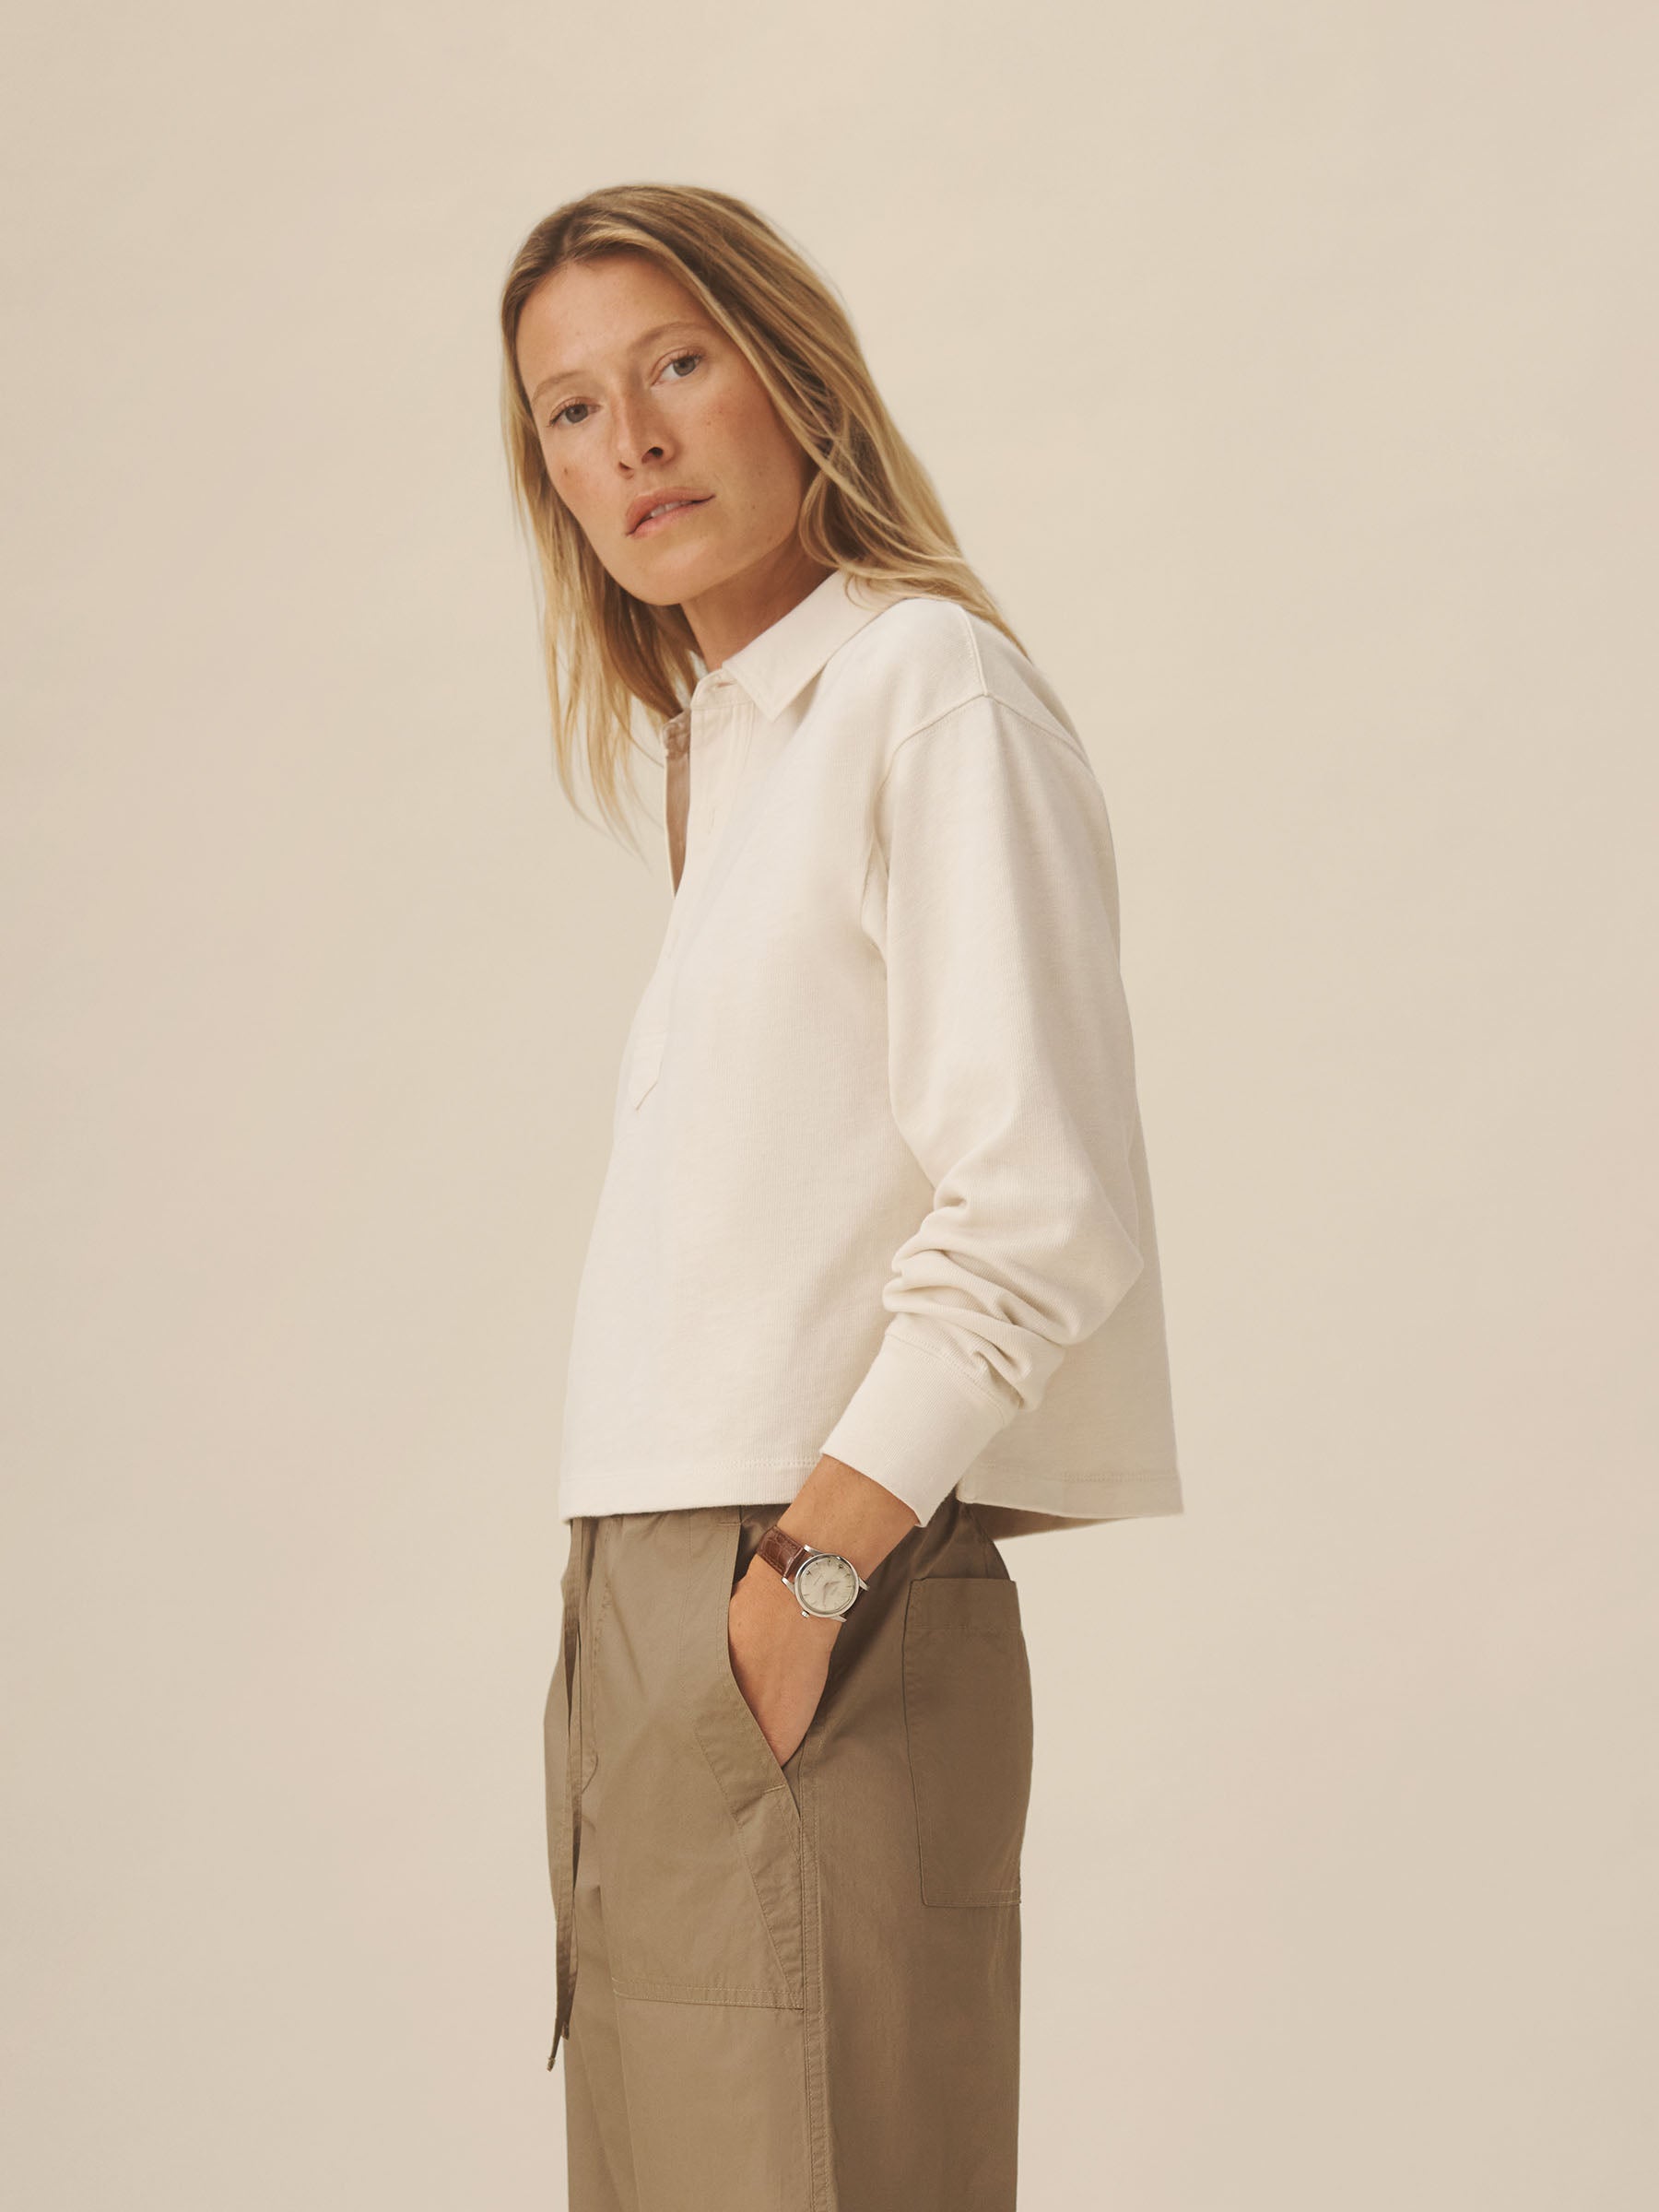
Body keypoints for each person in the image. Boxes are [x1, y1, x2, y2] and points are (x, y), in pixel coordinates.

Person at [498, 182, 1183, 2212]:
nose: (631, 441)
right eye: (570, 410)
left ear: (794, 377)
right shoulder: (728, 751)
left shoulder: (924, 688)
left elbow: (1039, 1203)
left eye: (677, 365)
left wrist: (798, 1589)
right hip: (649, 1606)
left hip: (806, 1598)